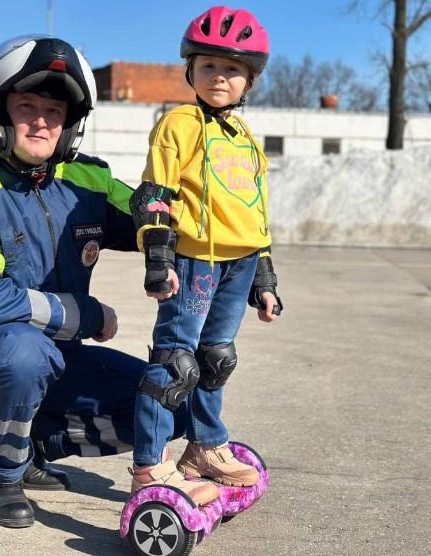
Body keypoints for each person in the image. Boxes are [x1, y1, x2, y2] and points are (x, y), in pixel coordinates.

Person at [0, 35, 156, 528]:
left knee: (164, 400)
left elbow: (153, 221)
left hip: (58, 355)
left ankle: (29, 447)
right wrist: (86, 315)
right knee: (22, 353)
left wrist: (172, 212)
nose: (41, 120)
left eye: (53, 110)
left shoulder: (88, 179)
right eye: (26, 106)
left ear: (69, 122)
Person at [128, 6, 283, 504]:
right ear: (190, 70)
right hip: (195, 260)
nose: (221, 76)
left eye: (233, 68)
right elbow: (155, 192)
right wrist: (159, 256)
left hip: (239, 264)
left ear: (250, 80)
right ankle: (150, 465)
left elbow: (254, 212)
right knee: (176, 363)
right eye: (210, 65)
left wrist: (264, 277)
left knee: (215, 360)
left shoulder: (247, 139)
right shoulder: (179, 123)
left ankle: (205, 447)